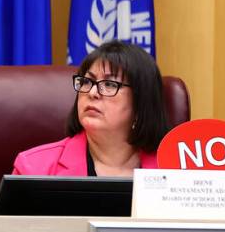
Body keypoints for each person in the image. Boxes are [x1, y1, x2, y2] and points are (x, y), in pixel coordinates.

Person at [12, 40, 170, 177]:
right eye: (87, 82)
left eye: (109, 84)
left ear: (141, 100)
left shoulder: (174, 171)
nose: (93, 93)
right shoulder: (35, 169)